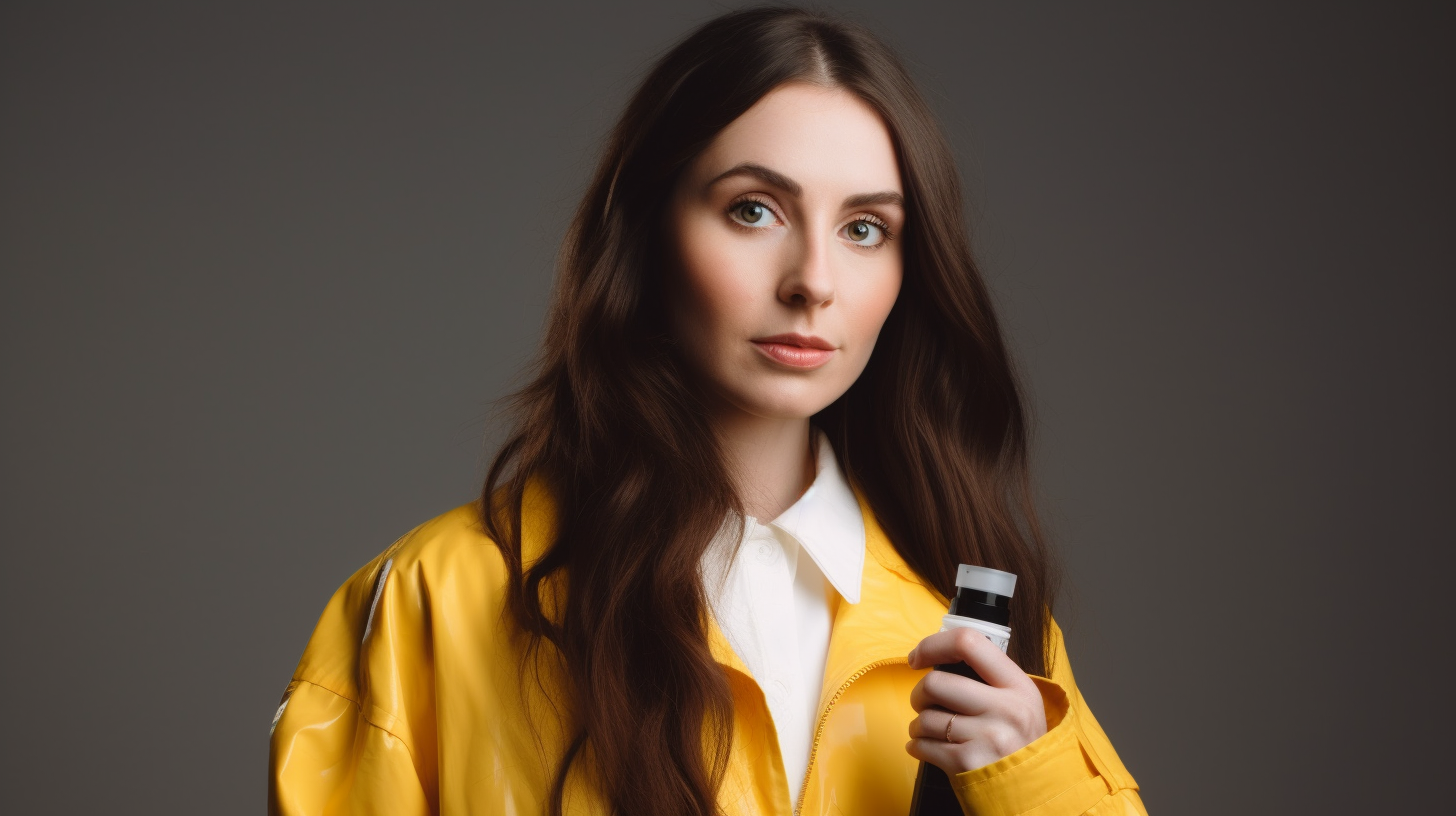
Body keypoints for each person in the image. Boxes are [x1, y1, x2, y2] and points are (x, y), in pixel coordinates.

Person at [268, 7, 1146, 816]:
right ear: (648, 233)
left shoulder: (976, 629)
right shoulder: (434, 604)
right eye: (753, 210)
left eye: (865, 228)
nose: (813, 281)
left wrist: (1029, 779)